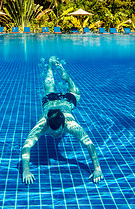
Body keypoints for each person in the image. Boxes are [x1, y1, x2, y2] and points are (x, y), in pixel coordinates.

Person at [21, 56, 103, 184]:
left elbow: (89, 144)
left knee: (75, 92)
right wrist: (25, 170)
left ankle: (64, 74)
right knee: (49, 89)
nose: (55, 136)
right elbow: (26, 146)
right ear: (48, 124)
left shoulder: (71, 124)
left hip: (67, 102)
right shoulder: (43, 125)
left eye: (58, 133)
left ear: (64, 124)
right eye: (53, 133)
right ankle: (49, 66)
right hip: (50, 103)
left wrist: (97, 168)